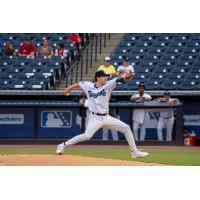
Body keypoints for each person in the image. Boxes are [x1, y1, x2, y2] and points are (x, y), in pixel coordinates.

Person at [56, 70, 149, 158]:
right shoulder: (88, 85)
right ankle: (62, 145)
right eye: (104, 76)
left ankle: (134, 152)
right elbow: (79, 84)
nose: (106, 78)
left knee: (126, 128)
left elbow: (119, 79)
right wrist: (69, 88)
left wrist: (125, 75)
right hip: (95, 118)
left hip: (106, 117)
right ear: (98, 78)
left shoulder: (108, 85)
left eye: (106, 77)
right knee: (87, 136)